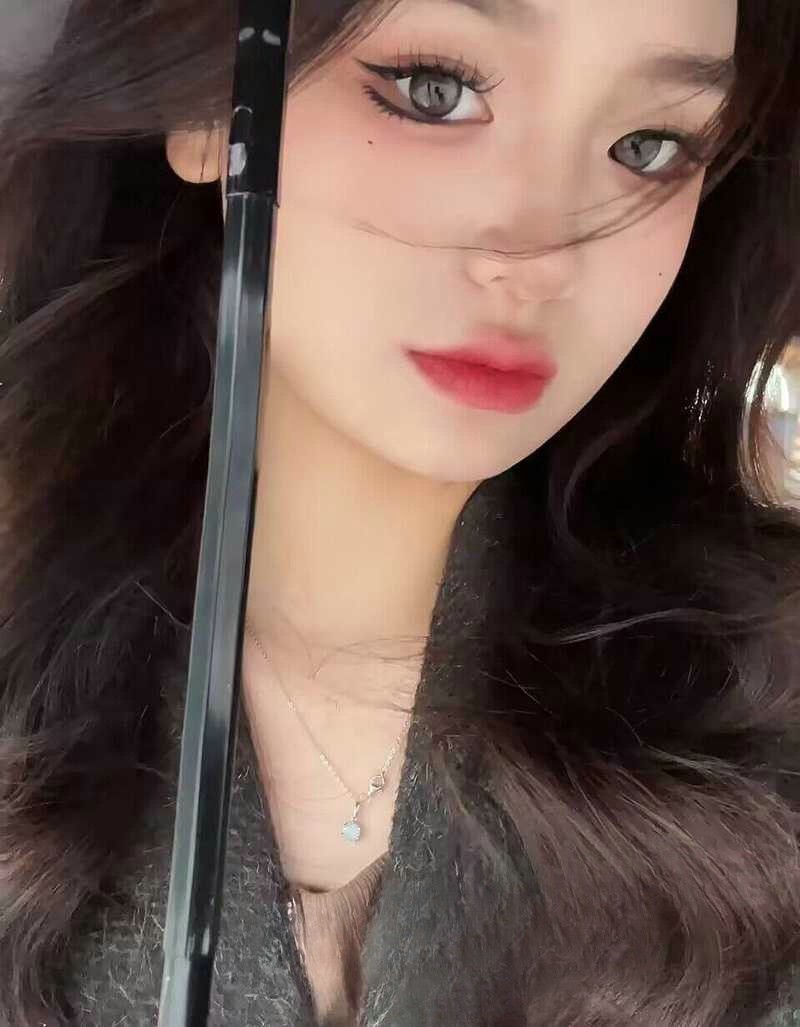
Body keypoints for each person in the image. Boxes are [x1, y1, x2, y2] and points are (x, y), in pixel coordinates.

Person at [0, 0, 799, 1024]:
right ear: (208, 108)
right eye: (435, 90)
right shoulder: (33, 661)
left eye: (647, 146)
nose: (536, 253)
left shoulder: (759, 707)